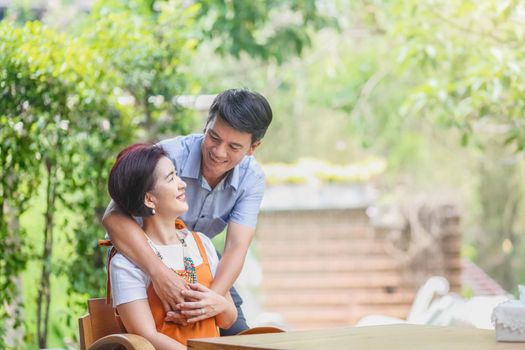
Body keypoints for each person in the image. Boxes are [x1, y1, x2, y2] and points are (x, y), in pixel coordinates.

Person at [102, 88, 273, 334]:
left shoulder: (251, 178)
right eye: (214, 137)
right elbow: (113, 217)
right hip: (143, 258)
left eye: (234, 146)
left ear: (252, 147)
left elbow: (237, 247)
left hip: (197, 261)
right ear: (206, 124)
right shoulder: (167, 157)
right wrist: (159, 274)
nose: (218, 152)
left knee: (238, 334)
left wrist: (207, 304)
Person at [106, 143, 237, 350]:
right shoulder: (125, 263)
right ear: (150, 199)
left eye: (177, 174)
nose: (182, 183)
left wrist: (220, 304)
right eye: (171, 178)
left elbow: (227, 320)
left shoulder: (201, 243)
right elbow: (144, 336)